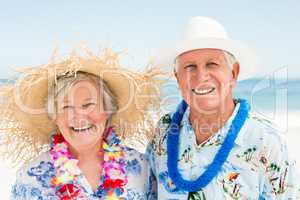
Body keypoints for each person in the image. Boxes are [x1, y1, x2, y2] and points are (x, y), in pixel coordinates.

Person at [146, 16, 300, 199]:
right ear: (178, 78)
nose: (201, 76)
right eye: (190, 66)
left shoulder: (266, 139)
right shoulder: (164, 129)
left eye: (212, 64)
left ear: (233, 73)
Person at [0, 49, 158, 199]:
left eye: (88, 105)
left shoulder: (141, 167)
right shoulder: (30, 177)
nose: (79, 117)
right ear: (55, 117)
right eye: (66, 107)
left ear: (108, 110)